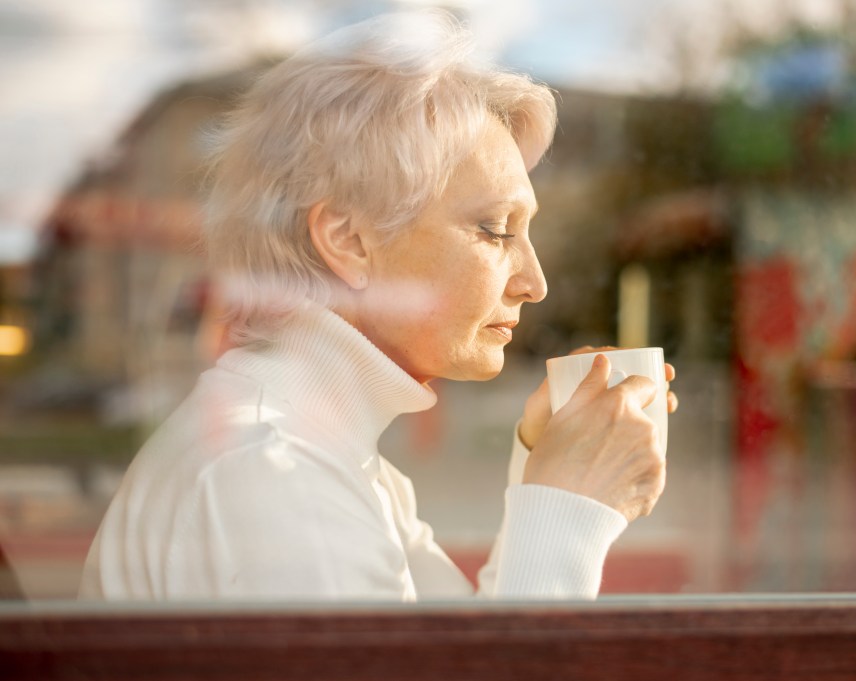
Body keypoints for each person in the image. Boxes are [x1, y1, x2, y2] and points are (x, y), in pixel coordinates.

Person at [79, 10, 675, 601]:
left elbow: (459, 649)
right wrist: (565, 510)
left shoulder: (316, 453)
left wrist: (549, 471)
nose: (534, 281)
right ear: (347, 239)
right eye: (496, 230)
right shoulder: (274, 476)